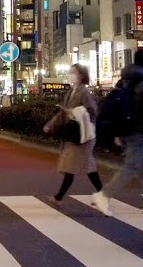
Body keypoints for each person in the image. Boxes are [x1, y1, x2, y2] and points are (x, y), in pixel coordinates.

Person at [98, 48, 143, 216]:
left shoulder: (123, 81)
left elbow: (115, 109)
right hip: (136, 132)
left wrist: (116, 133)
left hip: (124, 132)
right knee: (131, 167)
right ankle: (104, 195)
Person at [43, 63, 106, 210]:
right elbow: (63, 113)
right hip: (77, 134)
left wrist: (75, 112)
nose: (70, 74)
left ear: (81, 75)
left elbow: (92, 110)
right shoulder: (72, 91)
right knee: (85, 167)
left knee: (74, 166)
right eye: (70, 72)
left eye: (73, 72)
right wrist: (51, 124)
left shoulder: (84, 92)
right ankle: (103, 195)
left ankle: (59, 197)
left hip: (83, 135)